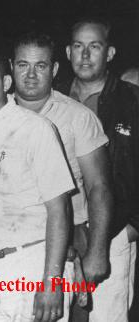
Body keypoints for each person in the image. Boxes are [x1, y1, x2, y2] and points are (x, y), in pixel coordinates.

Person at [0, 47, 75, 322]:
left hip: (32, 262)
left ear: (6, 83)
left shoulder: (36, 129)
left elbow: (60, 209)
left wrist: (52, 282)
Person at [11, 32, 113, 320]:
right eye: (23, 65)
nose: (31, 75)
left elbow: (99, 187)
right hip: (12, 243)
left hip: (69, 243)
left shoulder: (78, 117)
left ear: (54, 70)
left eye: (40, 66)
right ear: (11, 67)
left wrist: (97, 250)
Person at [57, 18, 139, 322]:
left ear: (111, 52)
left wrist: (130, 229)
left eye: (95, 46)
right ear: (67, 52)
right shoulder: (53, 98)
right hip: (59, 234)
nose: (86, 55)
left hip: (112, 231)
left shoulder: (131, 101)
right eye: (78, 46)